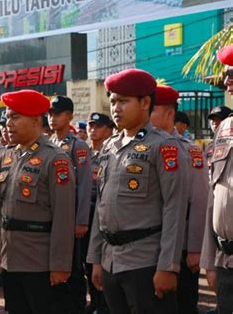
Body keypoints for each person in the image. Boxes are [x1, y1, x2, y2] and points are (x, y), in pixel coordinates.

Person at [87, 68, 189, 314]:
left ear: (145, 103)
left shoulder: (164, 146)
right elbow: (101, 206)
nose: (116, 108)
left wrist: (168, 266)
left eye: (123, 101)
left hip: (146, 262)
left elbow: (174, 208)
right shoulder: (110, 146)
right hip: (111, 260)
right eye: (112, 101)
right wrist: (96, 259)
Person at [0, 89, 76, 314]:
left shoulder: (55, 158)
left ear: (34, 120)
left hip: (40, 263)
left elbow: (64, 215)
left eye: (14, 117)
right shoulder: (8, 156)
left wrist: (60, 265)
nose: (7, 123)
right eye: (7, 117)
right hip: (10, 258)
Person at [151, 85, 208, 314]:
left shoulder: (189, 150)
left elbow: (199, 200)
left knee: (182, 304)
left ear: (169, 113)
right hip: (149, 245)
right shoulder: (140, 147)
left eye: (152, 109)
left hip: (182, 247)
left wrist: (194, 248)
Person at [47, 95, 92, 313]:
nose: (52, 118)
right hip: (54, 220)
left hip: (72, 218)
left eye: (57, 114)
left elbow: (84, 185)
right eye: (50, 114)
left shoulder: (78, 146)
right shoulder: (49, 144)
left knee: (74, 268)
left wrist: (81, 220)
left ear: (69, 116)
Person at [200, 44, 233, 313]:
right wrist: (209, 260)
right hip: (226, 260)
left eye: (232, 73)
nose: (226, 81)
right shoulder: (225, 127)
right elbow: (215, 194)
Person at [86, 112, 114, 314]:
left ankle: (105, 304)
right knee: (89, 262)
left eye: (98, 126)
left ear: (108, 130)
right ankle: (95, 302)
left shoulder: (111, 152)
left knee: (103, 262)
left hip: (103, 214)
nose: (92, 129)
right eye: (90, 126)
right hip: (85, 215)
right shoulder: (85, 154)